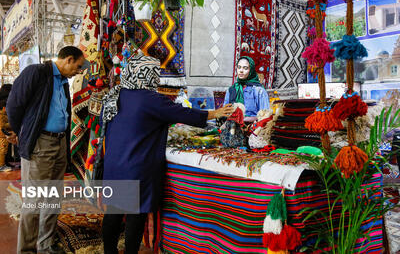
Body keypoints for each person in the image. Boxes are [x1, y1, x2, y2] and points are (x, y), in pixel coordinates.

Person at [101, 53, 234, 254]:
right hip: (136, 166)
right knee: (135, 215)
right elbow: (182, 113)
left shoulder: (115, 95)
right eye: (155, 72)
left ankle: (109, 251)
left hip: (114, 163)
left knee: (114, 211)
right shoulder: (150, 99)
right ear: (148, 75)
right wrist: (214, 114)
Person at [6, 46, 86, 254]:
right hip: (40, 144)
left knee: (52, 197)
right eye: (77, 66)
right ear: (68, 59)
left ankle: (46, 244)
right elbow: (13, 105)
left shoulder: (61, 82)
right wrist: (21, 132)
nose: (78, 71)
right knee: (34, 201)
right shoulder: (37, 72)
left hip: (59, 144)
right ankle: (26, 250)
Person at [223, 56, 270, 122]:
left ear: (251, 70)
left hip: (253, 128)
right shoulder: (231, 90)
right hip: (232, 126)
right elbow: (225, 112)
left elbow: (265, 116)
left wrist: (245, 120)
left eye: (245, 68)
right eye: (239, 67)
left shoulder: (259, 91)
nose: (241, 71)